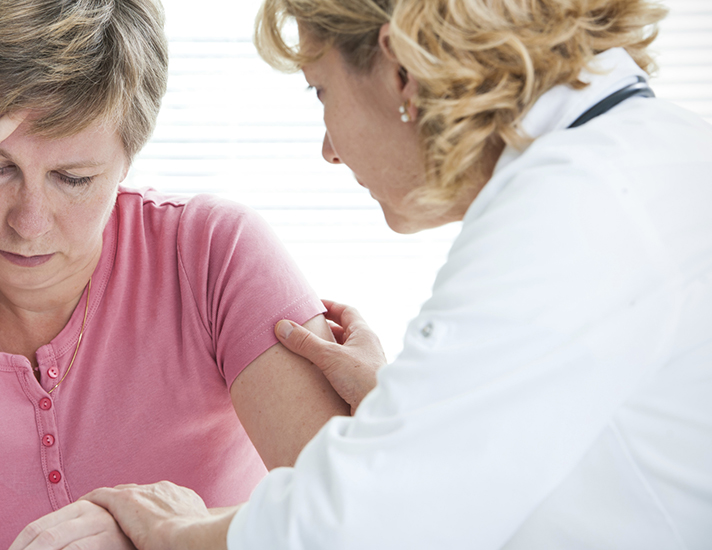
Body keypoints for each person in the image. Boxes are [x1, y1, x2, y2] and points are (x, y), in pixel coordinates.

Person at [37, 0, 712, 548]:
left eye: (321, 90)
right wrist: (410, 403)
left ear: (400, 73)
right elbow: (533, 441)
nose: (329, 149)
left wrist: (174, 531)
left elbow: (359, 529)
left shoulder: (573, 207)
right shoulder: (635, 163)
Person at [0, 0, 351, 548]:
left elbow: (356, 513)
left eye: (74, 178)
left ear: (128, 158)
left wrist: (175, 537)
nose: (29, 224)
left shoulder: (214, 256)